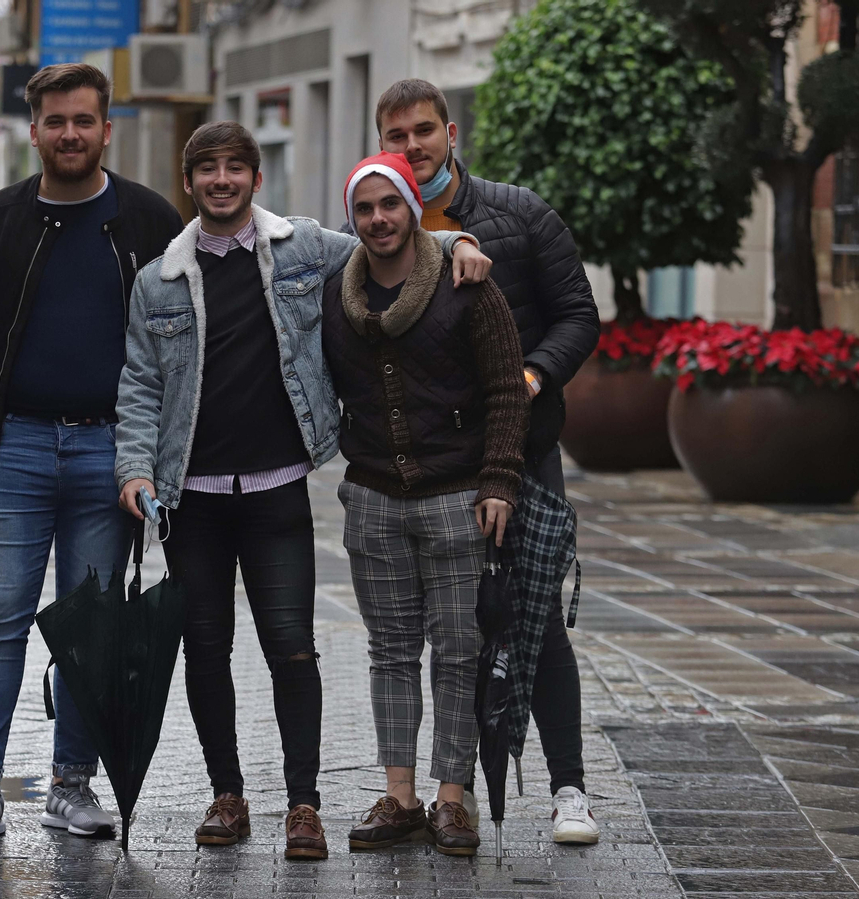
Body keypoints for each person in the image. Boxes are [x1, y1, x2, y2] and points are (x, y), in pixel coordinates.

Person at [114, 123, 485, 861]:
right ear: (190, 182)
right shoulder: (158, 278)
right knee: (206, 649)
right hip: (193, 497)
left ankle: (303, 803)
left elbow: (395, 246)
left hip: (279, 490)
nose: (222, 180)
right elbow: (140, 384)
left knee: (293, 649)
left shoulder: (305, 247)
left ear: (255, 177)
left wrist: (459, 244)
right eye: (207, 169)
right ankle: (227, 794)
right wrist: (134, 468)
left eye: (235, 168)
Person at [0, 63, 184, 844]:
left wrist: (157, 454)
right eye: (56, 121)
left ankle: (70, 785)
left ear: (106, 129)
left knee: (92, 626)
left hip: (111, 453)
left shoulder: (148, 219)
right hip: (11, 446)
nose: (71, 134)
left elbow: (182, 338)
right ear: (35, 130)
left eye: (85, 121)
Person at [375, 78, 602, 845]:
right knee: (453, 630)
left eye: (425, 131)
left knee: (533, 615)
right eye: (397, 135)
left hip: (524, 448)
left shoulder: (520, 214)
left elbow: (578, 314)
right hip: (438, 465)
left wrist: (530, 377)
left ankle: (569, 786)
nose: (414, 147)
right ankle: (451, 794)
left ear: (452, 131)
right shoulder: (379, 219)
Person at [327, 152, 529, 856]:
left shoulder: (466, 287)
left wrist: (499, 479)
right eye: (364, 208)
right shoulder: (338, 294)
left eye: (391, 204)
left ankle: (451, 798)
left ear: (414, 209)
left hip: (458, 499)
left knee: (459, 652)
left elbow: (507, 388)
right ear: (352, 218)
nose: (378, 218)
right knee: (390, 653)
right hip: (374, 500)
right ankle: (400, 796)